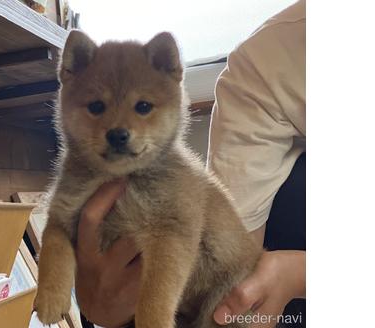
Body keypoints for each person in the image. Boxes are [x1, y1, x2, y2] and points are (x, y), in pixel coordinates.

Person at [75, 1, 305, 327]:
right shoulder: (270, 64)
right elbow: (239, 284)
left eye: (142, 106)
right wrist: (99, 307)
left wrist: (297, 273)